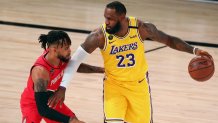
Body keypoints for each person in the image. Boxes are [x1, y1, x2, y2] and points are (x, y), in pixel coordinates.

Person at [50, 1, 213, 123]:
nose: (106, 22)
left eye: (111, 19)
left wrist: (194, 50)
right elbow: (75, 61)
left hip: (139, 86)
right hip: (114, 86)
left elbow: (169, 40)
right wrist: (63, 87)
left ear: (122, 18)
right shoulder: (99, 36)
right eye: (105, 18)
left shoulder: (141, 28)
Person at [20, 30, 104, 123]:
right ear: (54, 50)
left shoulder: (60, 57)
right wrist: (69, 120)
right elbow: (43, 110)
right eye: (66, 48)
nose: (69, 51)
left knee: (75, 120)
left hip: (51, 100)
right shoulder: (41, 72)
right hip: (33, 103)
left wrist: (101, 70)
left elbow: (74, 66)